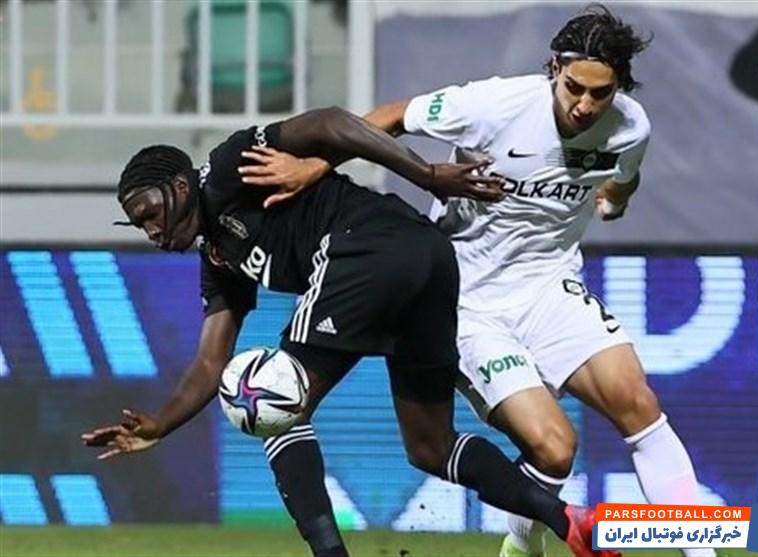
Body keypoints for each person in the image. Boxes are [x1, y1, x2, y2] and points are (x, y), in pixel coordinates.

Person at [239, 5, 713, 557]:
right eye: (574, 88)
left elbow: (623, 179)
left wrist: (614, 201)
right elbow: (394, 115)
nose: (584, 105)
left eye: (600, 94)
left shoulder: (631, 127)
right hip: (466, 299)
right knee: (555, 450)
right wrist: (317, 166)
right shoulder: (494, 105)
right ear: (553, 69)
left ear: (619, 88)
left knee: (638, 402)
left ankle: (701, 550)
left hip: (549, 286)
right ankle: (522, 545)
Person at [81, 106, 620, 557]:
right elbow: (208, 362)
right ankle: (568, 520)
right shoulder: (219, 258)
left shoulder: (227, 168)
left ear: (180, 187)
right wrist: (161, 425)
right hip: (428, 260)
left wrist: (426, 175)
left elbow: (333, 123)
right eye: (140, 224)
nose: (150, 231)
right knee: (430, 447)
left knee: (271, 399)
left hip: (366, 246)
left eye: (149, 213)